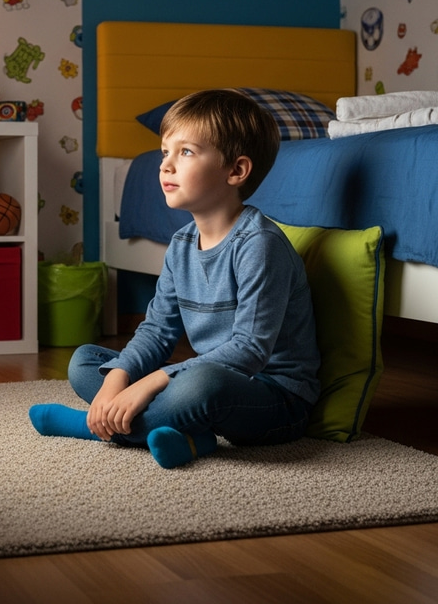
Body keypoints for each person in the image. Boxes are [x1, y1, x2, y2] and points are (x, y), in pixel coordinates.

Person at [30, 89, 320, 469]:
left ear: (236, 171)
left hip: (273, 399)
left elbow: (249, 350)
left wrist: (151, 382)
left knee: (200, 386)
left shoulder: (258, 245)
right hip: (204, 381)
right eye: (165, 151)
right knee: (86, 361)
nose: (165, 165)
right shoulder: (181, 244)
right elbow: (156, 332)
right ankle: (190, 437)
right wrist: (121, 377)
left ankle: (91, 426)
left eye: (185, 152)